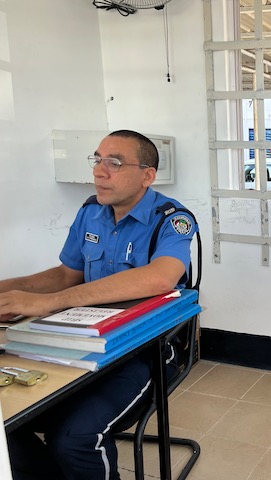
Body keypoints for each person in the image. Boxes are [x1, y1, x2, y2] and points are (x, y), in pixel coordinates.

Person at [0, 130, 198, 479]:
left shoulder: (172, 218)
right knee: (9, 421)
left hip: (144, 351)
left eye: (115, 163)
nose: (99, 171)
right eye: (97, 159)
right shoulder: (91, 212)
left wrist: (50, 303)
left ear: (147, 175)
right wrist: (9, 290)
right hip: (82, 340)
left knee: (76, 438)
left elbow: (161, 278)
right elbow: (67, 274)